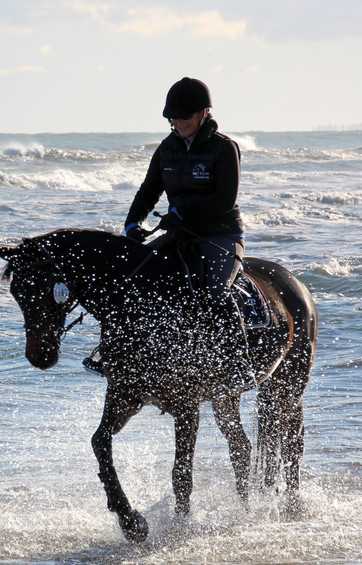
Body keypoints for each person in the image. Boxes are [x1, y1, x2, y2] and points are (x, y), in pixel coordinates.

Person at [117, 77, 256, 392]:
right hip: (180, 235)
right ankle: (124, 356)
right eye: (173, 118)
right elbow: (148, 191)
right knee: (136, 279)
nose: (178, 123)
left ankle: (239, 364)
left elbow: (225, 198)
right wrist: (132, 224)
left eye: (185, 118)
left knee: (216, 293)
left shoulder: (224, 148)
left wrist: (182, 211)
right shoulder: (167, 148)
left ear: (204, 113)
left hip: (220, 235)